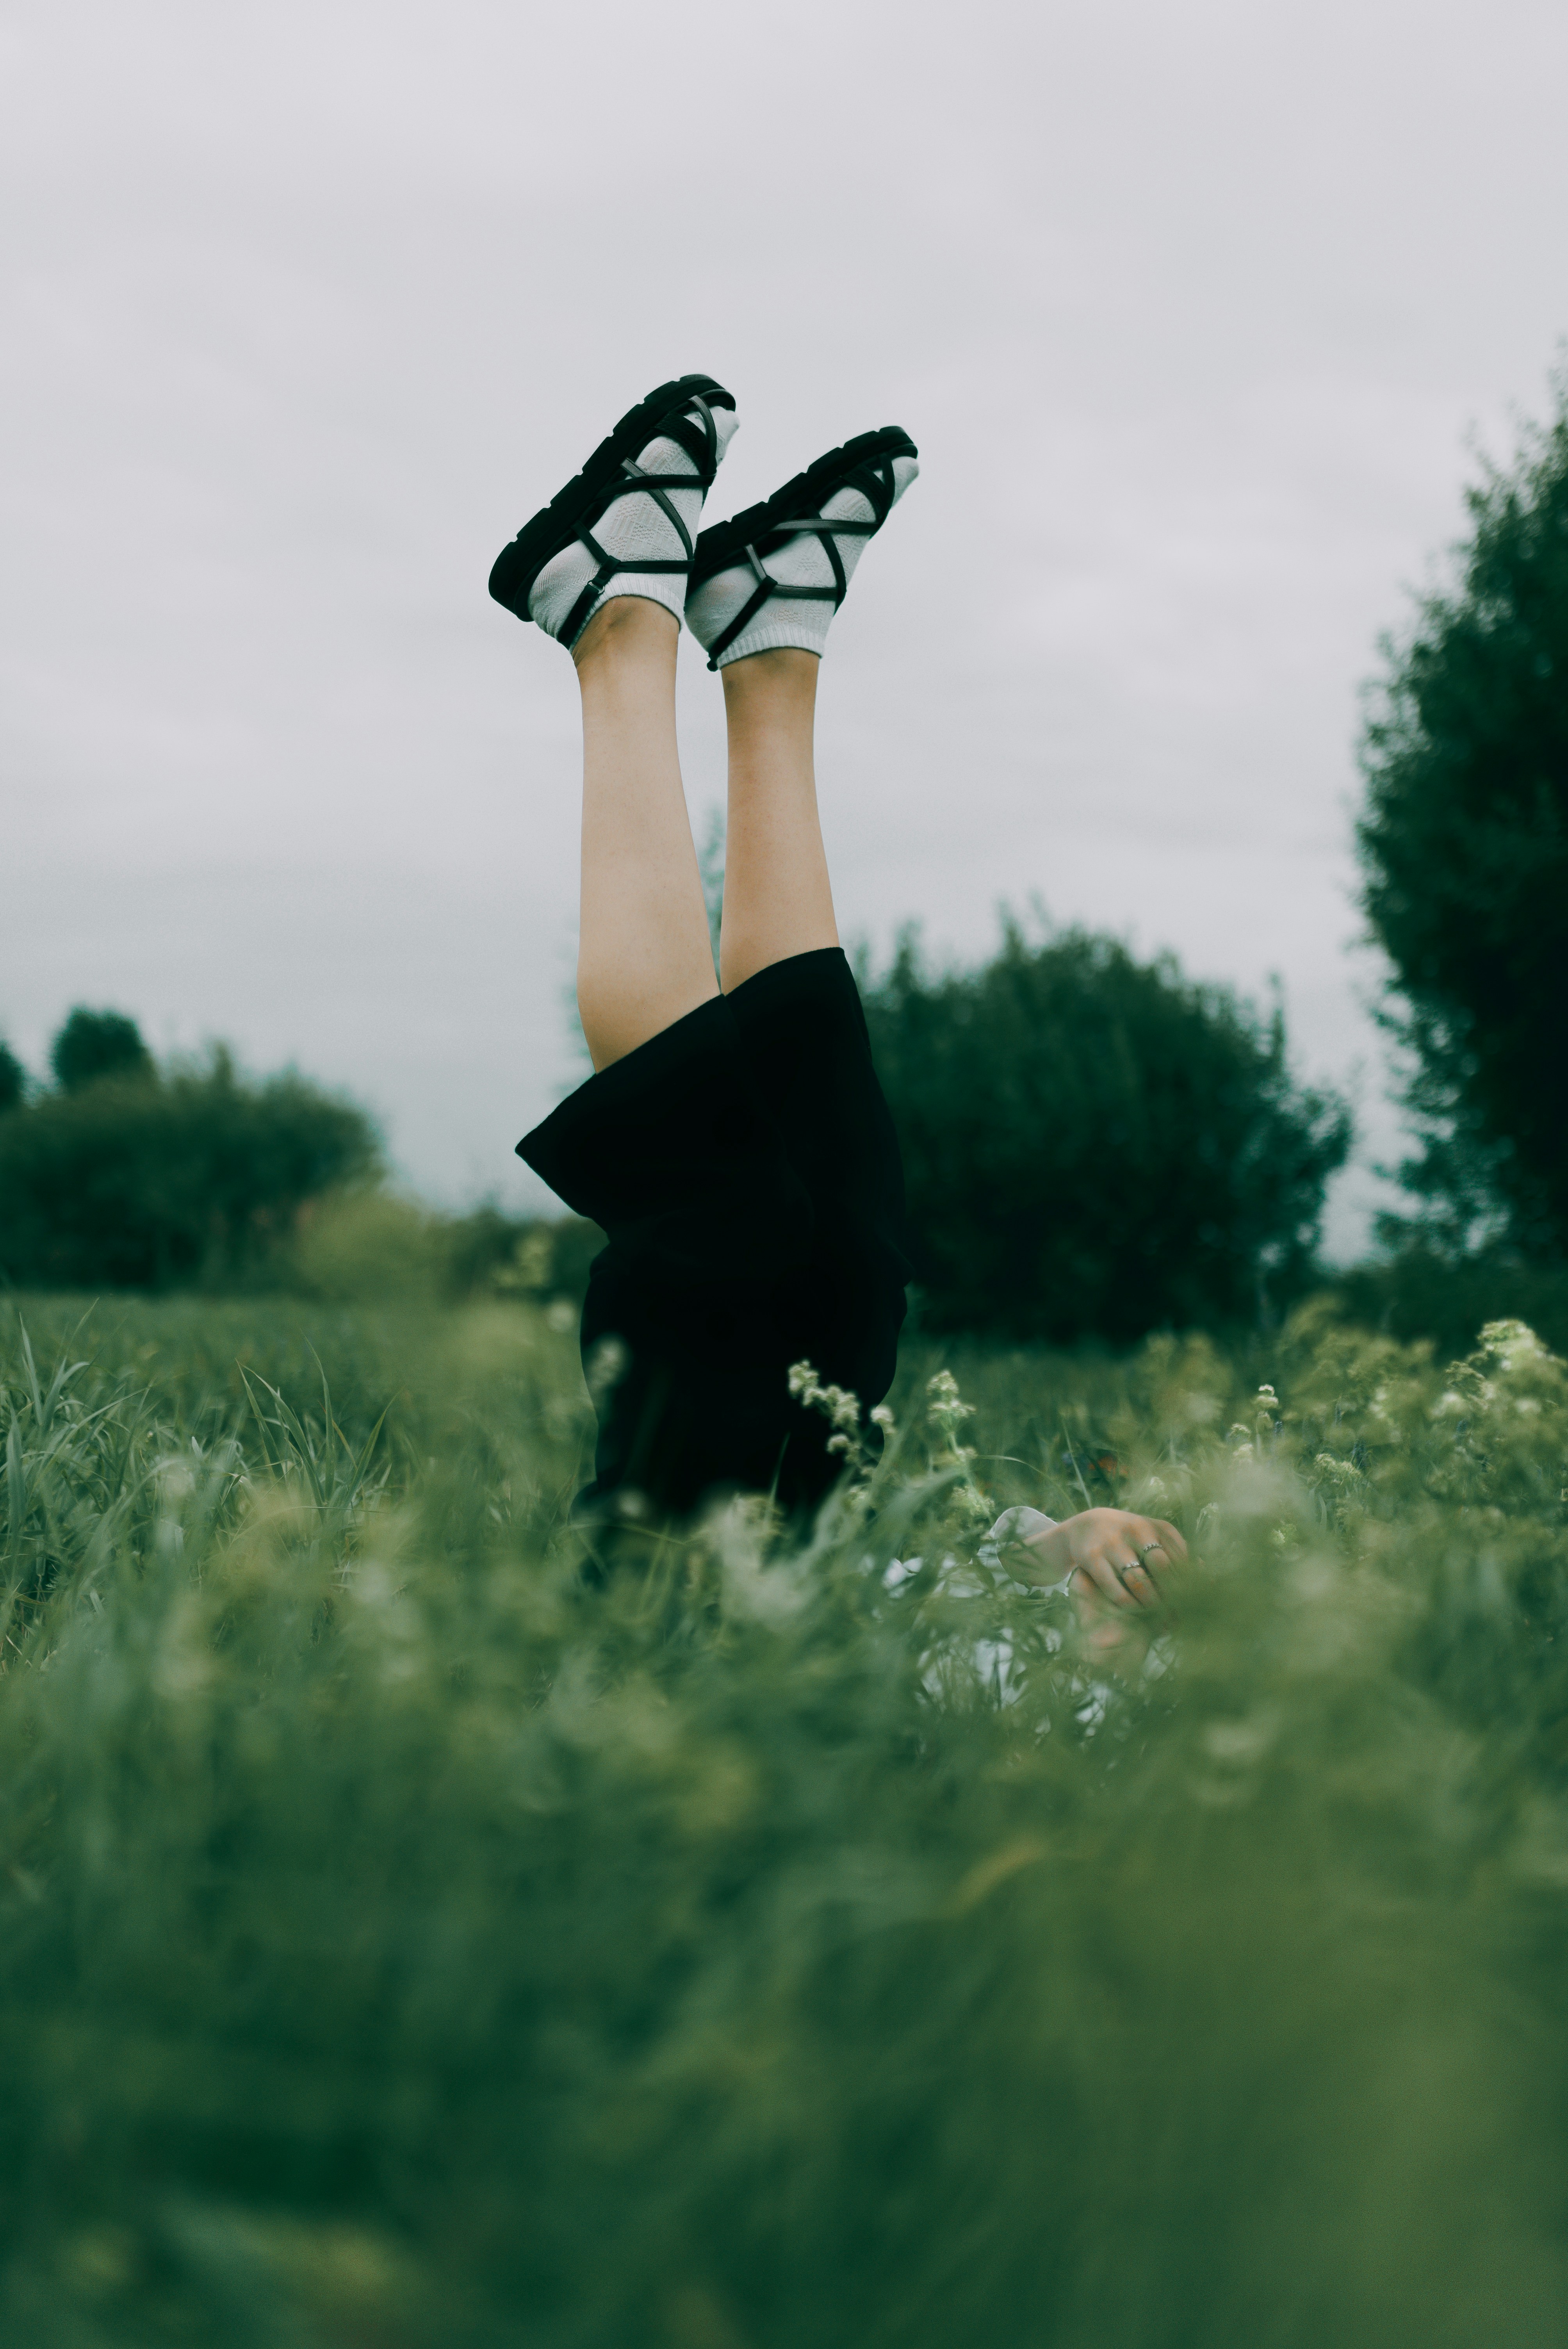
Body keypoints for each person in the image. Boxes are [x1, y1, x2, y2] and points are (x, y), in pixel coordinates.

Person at [489, 372, 1186, 1622]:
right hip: (842, 1589)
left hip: (686, 1632)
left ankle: (611, 622)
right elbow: (915, 1574)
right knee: (852, 1240)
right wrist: (1058, 1542)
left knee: (727, 1230)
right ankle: (765, 650)